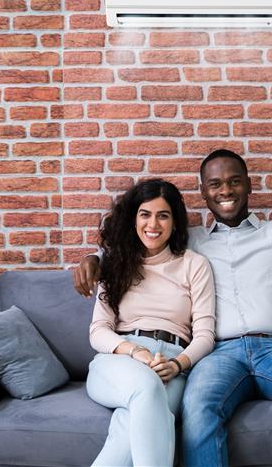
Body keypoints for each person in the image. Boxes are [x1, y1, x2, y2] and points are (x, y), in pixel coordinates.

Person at [75, 123, 272, 467]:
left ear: (249, 185)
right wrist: (95, 258)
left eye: (235, 181)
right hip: (219, 353)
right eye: (215, 184)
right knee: (197, 409)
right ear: (204, 194)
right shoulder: (189, 241)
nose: (226, 190)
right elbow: (141, 245)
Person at [85, 178, 216, 467]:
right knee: (146, 388)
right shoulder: (116, 264)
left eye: (163, 215)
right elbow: (98, 331)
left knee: (128, 426)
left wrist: (178, 363)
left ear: (175, 222)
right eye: (145, 214)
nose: (153, 224)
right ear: (133, 219)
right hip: (119, 359)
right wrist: (136, 353)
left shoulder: (194, 265)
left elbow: (205, 335)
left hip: (171, 367)